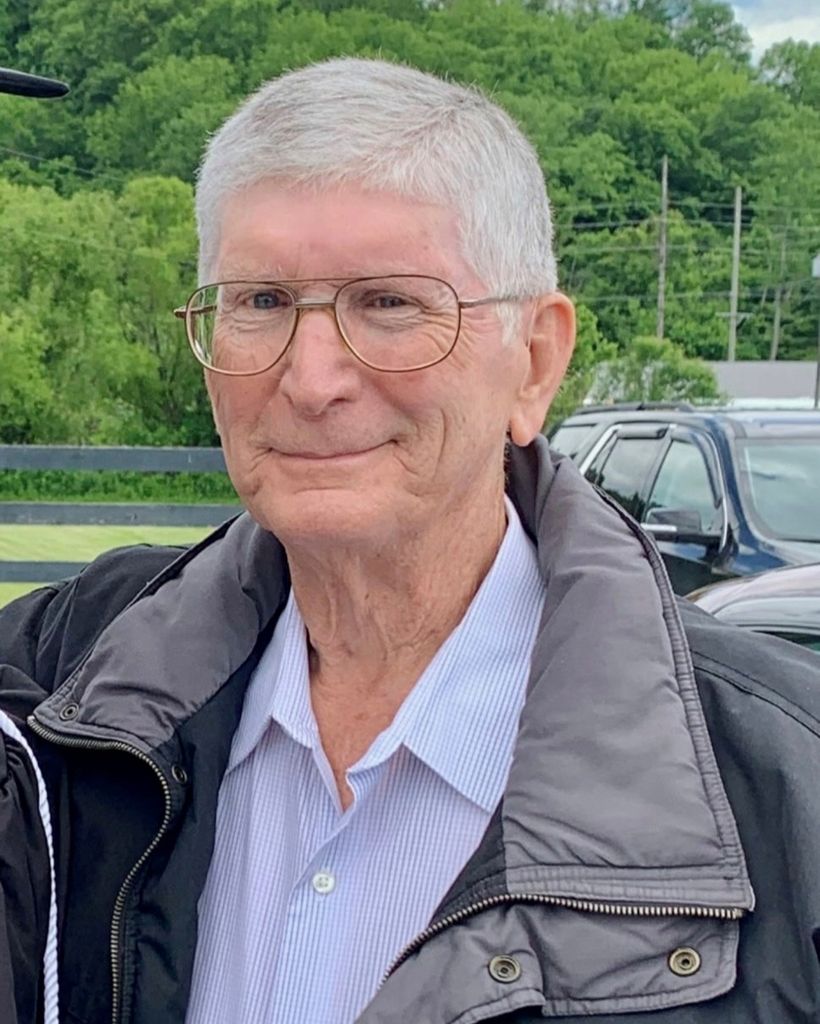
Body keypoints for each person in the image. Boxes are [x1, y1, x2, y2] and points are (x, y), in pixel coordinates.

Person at [2, 58, 819, 1024]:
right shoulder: (59, 688)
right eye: (259, 302)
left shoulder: (782, 788)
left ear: (535, 362)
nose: (312, 380)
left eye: (389, 303)